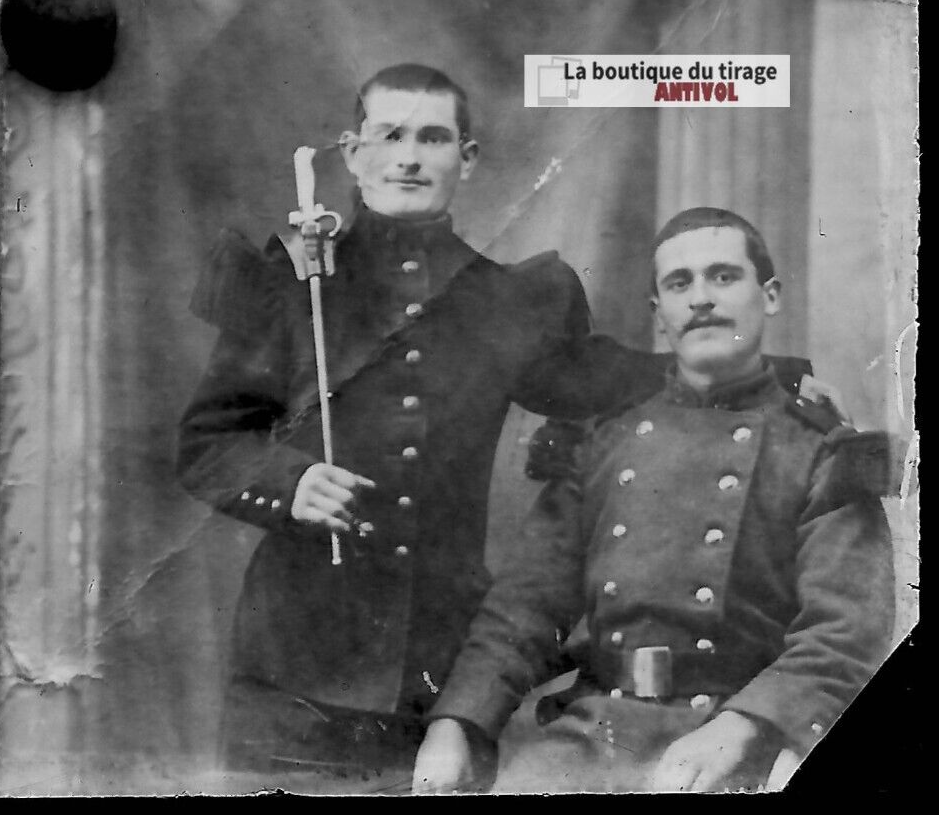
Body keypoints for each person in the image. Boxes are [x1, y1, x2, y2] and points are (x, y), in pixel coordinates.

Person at [176, 63, 662, 790]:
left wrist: (770, 370)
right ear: (353, 153)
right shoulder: (293, 284)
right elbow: (209, 442)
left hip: (442, 678)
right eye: (391, 134)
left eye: (433, 138)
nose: (409, 156)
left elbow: (607, 377)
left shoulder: (508, 302)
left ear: (466, 159)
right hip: (294, 672)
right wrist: (291, 480)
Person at [412, 206, 896, 795]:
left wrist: (745, 726)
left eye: (723, 277)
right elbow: (524, 608)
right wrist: (457, 721)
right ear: (658, 315)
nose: (701, 299)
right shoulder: (602, 442)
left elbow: (843, 634)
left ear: (768, 296)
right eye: (679, 283)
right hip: (595, 736)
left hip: (738, 741)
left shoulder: (823, 453)